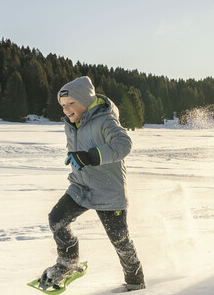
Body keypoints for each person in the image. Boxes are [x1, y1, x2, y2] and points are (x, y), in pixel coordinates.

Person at [39, 76, 145, 291]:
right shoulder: (71, 124)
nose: (67, 110)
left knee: (120, 241)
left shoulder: (105, 120)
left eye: (71, 103)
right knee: (56, 219)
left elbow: (124, 144)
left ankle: (136, 283)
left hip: (108, 190)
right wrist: (76, 159)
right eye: (63, 106)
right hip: (81, 187)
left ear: (85, 101)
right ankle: (68, 263)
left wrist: (90, 156)